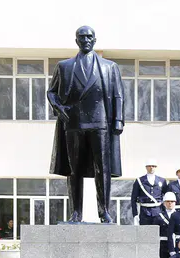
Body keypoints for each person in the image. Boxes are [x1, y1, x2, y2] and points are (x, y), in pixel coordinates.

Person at [47, 26, 123, 223]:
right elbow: (51, 92)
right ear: (76, 41)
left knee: (103, 169)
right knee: (74, 169)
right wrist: (58, 107)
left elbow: (118, 95)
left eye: (89, 37)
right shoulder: (64, 66)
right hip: (74, 122)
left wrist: (119, 119)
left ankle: (104, 211)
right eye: (82, 37)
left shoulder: (109, 67)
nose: (86, 40)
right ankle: (76, 213)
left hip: (101, 123)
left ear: (95, 40)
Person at [131, 159, 168, 226]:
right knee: (144, 232)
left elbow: (167, 197)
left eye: (153, 166)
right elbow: (133, 199)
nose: (151, 168)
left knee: (158, 232)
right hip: (144, 212)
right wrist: (135, 214)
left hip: (158, 211)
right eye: (149, 166)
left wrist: (165, 212)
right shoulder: (139, 181)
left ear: (156, 167)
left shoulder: (162, 181)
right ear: (146, 167)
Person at [156, 192, 178, 258]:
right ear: (164, 203)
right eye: (168, 201)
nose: (170, 203)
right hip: (163, 244)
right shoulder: (159, 217)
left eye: (172, 201)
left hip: (176, 243)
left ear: (175, 202)